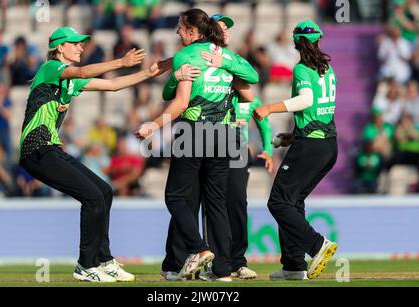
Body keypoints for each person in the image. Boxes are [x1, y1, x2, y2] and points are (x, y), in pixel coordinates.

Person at [18, 26, 171, 282]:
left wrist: (148, 72)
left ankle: (104, 260)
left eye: (81, 43)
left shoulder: (69, 80)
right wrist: (121, 61)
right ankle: (86, 265)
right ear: (59, 48)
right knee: (92, 197)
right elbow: (83, 70)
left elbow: (113, 85)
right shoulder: (51, 68)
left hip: (51, 149)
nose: (81, 46)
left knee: (104, 191)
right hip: (36, 150)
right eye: (75, 43)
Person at [136, 8, 257, 281]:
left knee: (176, 197)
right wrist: (223, 63)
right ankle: (224, 270)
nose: (177, 32)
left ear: (193, 31)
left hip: (195, 132)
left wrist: (152, 126)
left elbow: (178, 102)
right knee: (216, 202)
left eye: (180, 27)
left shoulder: (186, 55)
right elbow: (252, 78)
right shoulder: (224, 54)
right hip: (225, 135)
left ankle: (200, 249)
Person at [253, 20, 338, 281]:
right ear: (318, 40)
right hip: (327, 145)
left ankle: (317, 245)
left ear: (297, 42)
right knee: (292, 201)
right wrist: (293, 135)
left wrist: (269, 108)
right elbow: (318, 110)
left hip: (311, 146)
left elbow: (306, 101)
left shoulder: (302, 68)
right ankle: (293, 265)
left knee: (277, 201)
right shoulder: (327, 68)